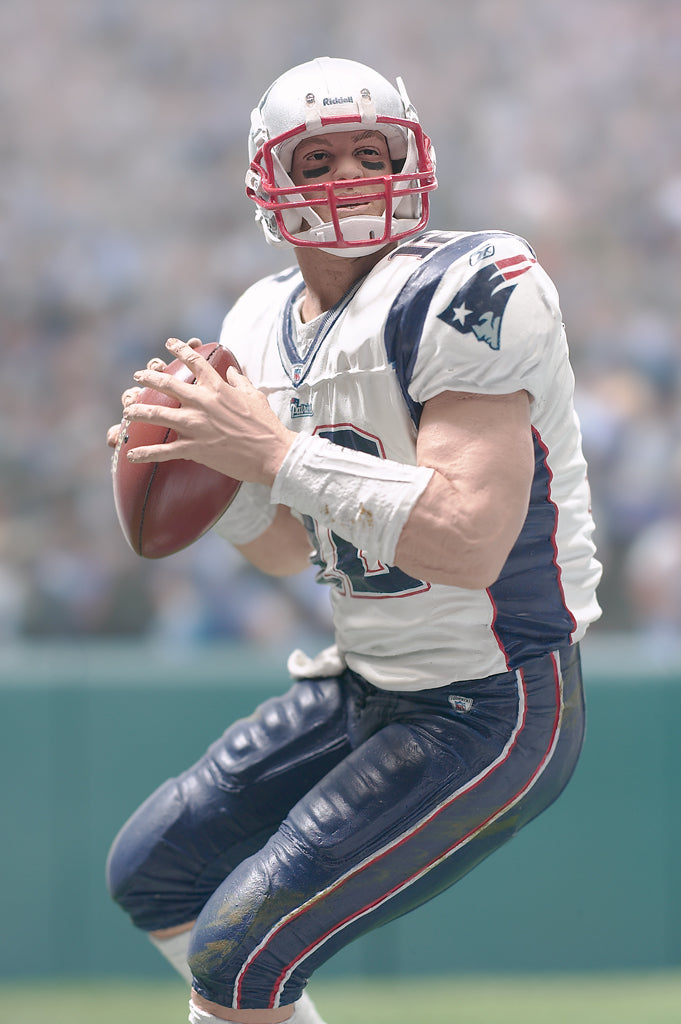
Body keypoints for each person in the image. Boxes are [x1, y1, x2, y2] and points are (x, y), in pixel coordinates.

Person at [105, 56, 602, 1024]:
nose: (350, 177)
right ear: (269, 181)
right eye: (319, 159)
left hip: (491, 697)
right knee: (157, 869)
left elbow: (468, 541)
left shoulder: (472, 283)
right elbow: (289, 551)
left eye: (370, 153)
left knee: (237, 959)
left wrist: (270, 450)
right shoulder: (257, 319)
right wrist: (207, 466)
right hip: (366, 679)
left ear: (412, 159)